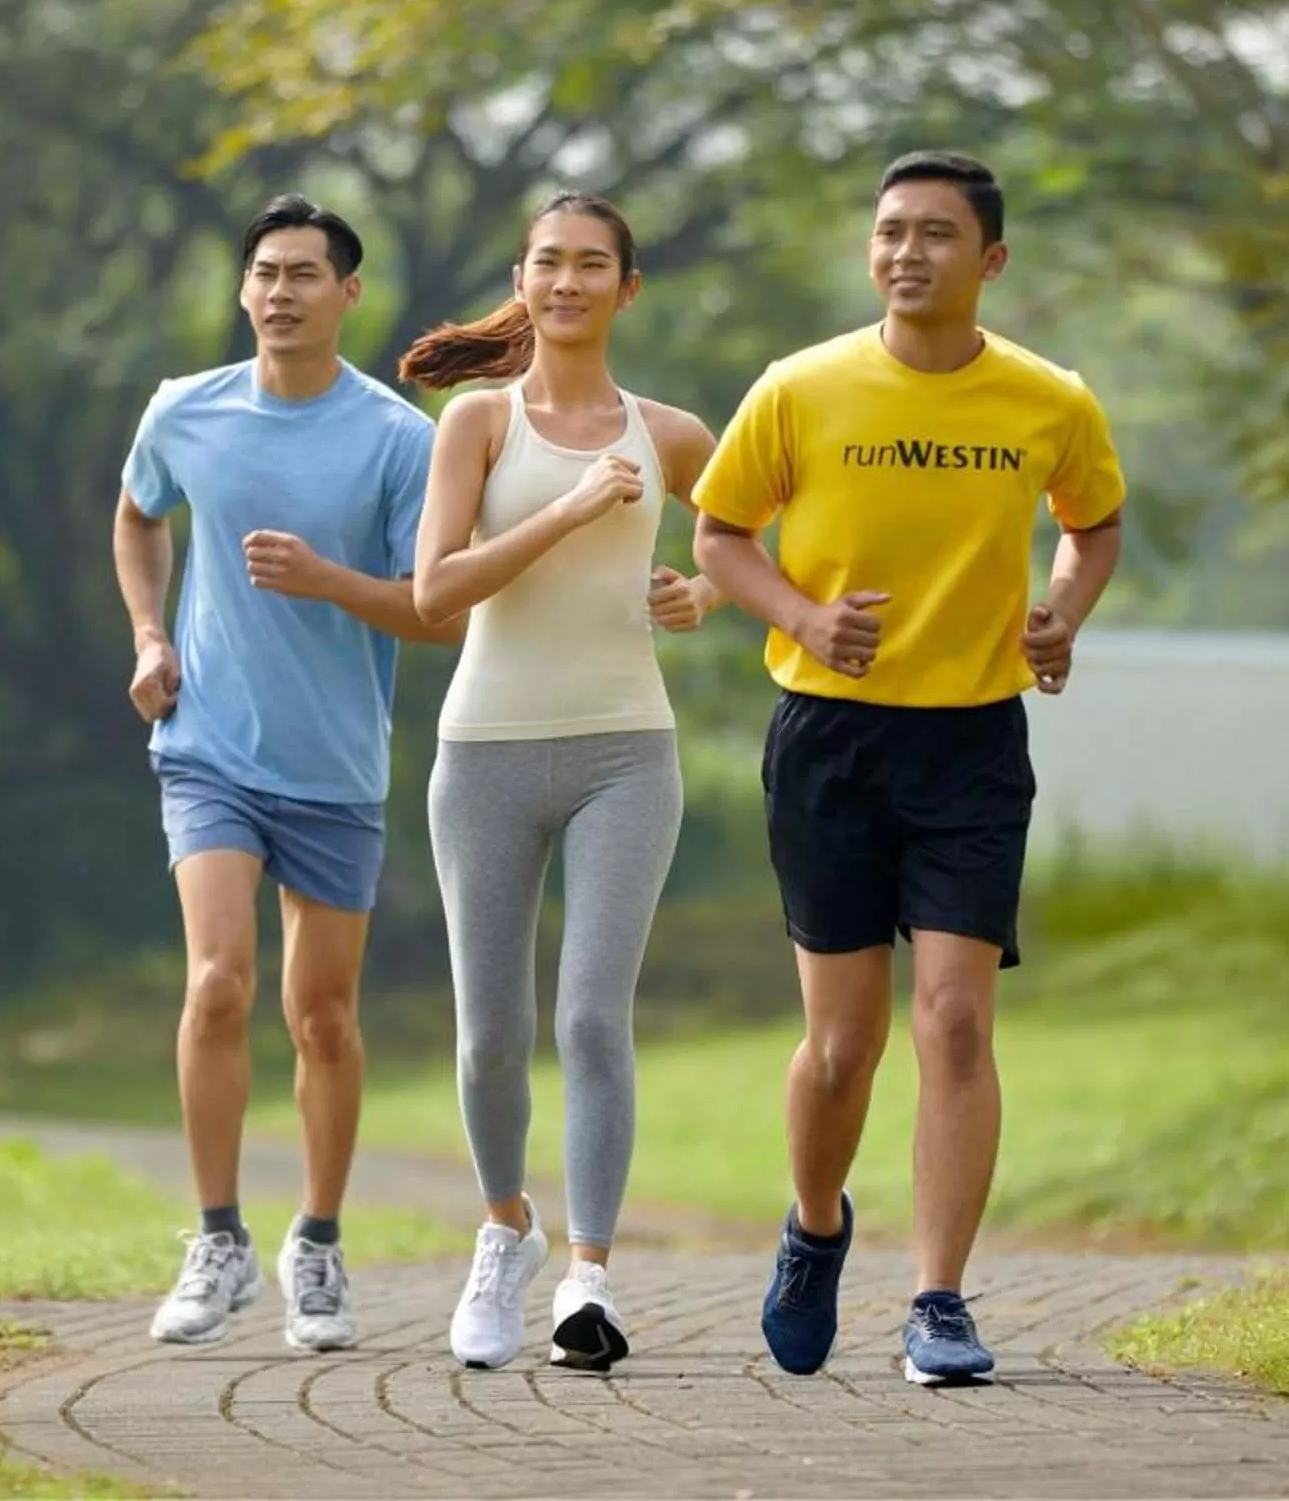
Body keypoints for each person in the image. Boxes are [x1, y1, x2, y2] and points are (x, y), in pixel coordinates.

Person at [689, 151, 1126, 1387]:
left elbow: (1094, 525)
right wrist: (804, 612)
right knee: (842, 1044)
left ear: (989, 260)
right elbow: (721, 535)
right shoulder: (800, 388)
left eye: (936, 234)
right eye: (889, 232)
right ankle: (816, 1224)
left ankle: (938, 1299)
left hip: (973, 740)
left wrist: (1061, 614)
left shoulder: (1048, 400)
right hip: (829, 735)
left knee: (956, 1016)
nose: (906, 253)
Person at [112, 192, 464, 1353]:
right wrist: (151, 637)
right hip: (209, 746)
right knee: (218, 981)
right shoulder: (186, 408)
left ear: (347, 293)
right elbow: (138, 514)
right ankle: (216, 1236)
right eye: (264, 272)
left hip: (337, 765)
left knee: (321, 1016)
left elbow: (432, 611)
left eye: (304, 273)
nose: (279, 292)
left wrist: (326, 580)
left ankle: (316, 1241)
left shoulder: (397, 438)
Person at [397, 192, 720, 1373]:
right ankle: (504, 1233)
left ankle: (591, 1277)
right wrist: (575, 507)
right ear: (522, 279)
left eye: (594, 264)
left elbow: (752, 539)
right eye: (550, 262)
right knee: (489, 1036)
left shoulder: (671, 431)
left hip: (627, 750)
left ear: (628, 288)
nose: (570, 281)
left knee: (589, 1016)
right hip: (484, 753)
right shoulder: (478, 422)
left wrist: (704, 593)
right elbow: (436, 592)